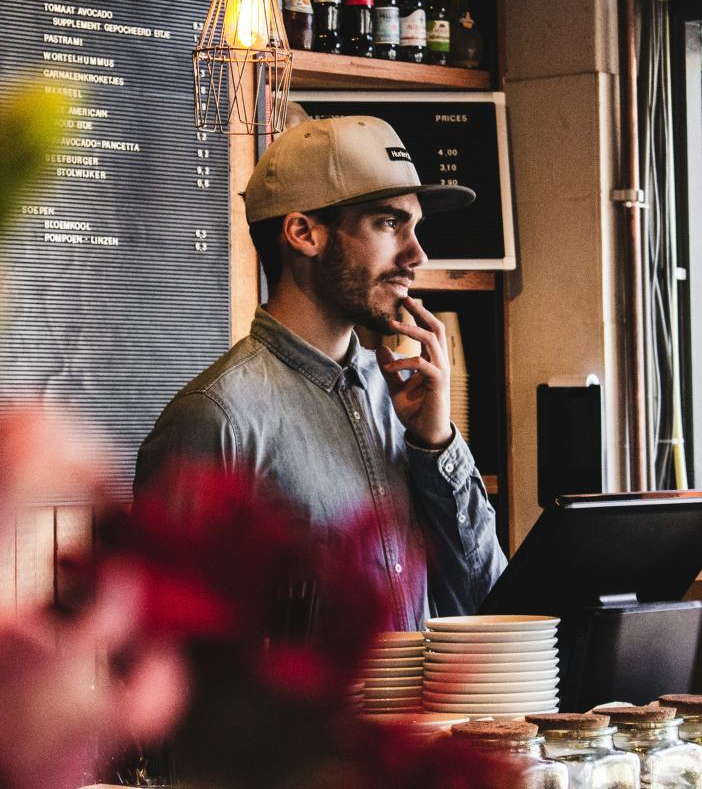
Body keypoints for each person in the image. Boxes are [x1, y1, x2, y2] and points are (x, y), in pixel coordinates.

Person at [134, 115, 506, 627]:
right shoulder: (215, 420)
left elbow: (486, 606)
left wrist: (436, 443)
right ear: (304, 233)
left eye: (415, 227)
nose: (417, 254)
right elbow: (172, 656)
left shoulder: (407, 403)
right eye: (388, 223)